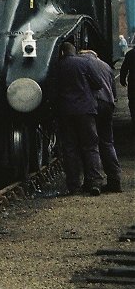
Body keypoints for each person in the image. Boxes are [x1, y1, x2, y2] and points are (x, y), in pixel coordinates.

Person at [55, 42, 104, 196]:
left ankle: (74, 185)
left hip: (65, 112)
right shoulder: (84, 63)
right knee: (90, 146)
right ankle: (94, 182)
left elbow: (52, 87)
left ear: (62, 53)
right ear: (74, 51)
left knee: (70, 148)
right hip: (85, 110)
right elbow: (98, 83)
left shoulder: (57, 66)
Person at [80, 49, 121, 193]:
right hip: (107, 104)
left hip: (92, 106)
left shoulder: (83, 65)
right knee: (108, 143)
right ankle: (115, 179)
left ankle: (95, 182)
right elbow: (113, 91)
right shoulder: (105, 65)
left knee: (91, 144)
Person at [121, 45, 135, 122]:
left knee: (133, 100)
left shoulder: (130, 53)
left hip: (133, 80)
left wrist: (122, 79)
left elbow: (124, 68)